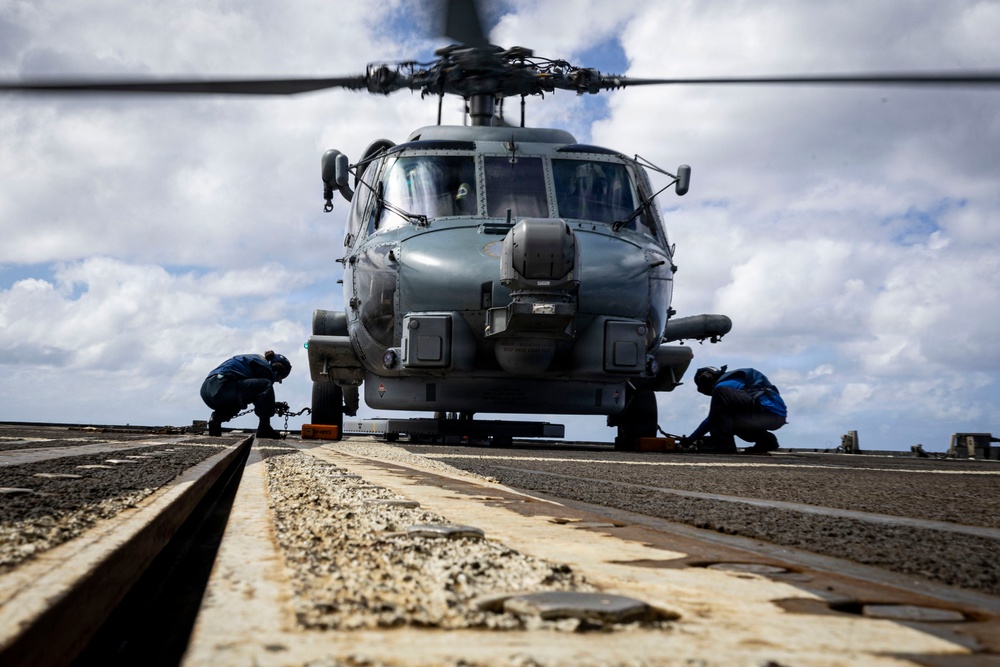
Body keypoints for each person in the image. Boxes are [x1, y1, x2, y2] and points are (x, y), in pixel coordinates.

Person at [683, 365, 787, 454]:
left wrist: (689, 440)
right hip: (775, 416)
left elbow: (711, 419)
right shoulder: (735, 384)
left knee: (719, 395)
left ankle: (724, 446)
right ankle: (766, 442)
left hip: (764, 410)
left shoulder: (722, 386)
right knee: (730, 421)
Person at [200, 351, 291, 439]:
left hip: (207, 390)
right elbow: (263, 391)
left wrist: (273, 404)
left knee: (238, 402)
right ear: (277, 366)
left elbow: (255, 394)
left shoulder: (254, 359)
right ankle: (264, 427)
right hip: (222, 387)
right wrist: (270, 406)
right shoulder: (265, 367)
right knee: (266, 384)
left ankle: (216, 419)